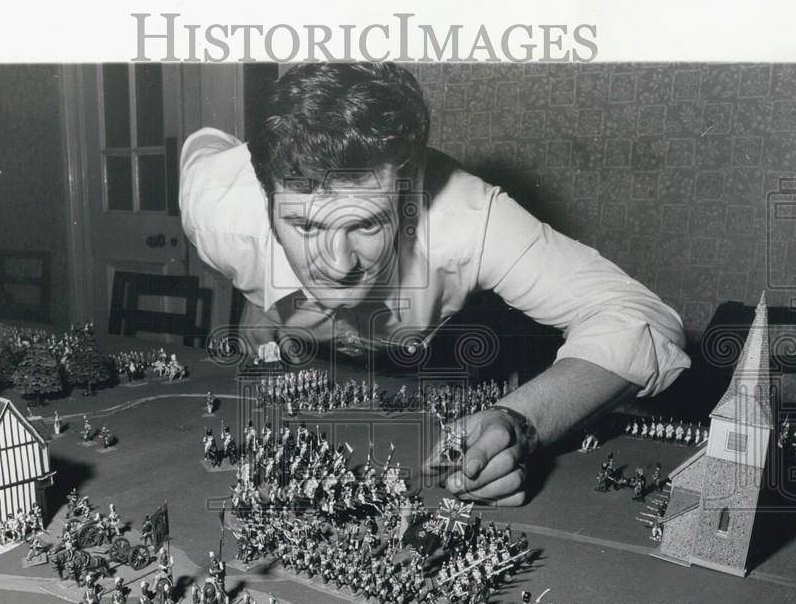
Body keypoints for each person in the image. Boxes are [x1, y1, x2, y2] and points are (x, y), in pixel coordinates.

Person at [179, 63, 689, 506]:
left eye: (366, 223)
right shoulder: (219, 213)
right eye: (306, 226)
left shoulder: (467, 220)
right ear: (266, 203)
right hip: (313, 353)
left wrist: (520, 421)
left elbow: (643, 320)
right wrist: (256, 296)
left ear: (407, 200)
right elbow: (203, 145)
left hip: (433, 362)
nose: (335, 263)